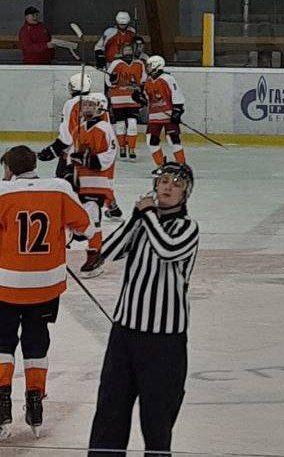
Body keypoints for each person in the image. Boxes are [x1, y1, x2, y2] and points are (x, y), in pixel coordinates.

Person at [87, 162, 199, 457]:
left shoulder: (187, 228)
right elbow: (107, 253)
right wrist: (135, 218)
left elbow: (168, 250)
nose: (167, 187)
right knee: (109, 414)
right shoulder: (143, 224)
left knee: (157, 422)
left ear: (185, 194)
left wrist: (147, 214)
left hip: (165, 341)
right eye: (163, 181)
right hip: (124, 334)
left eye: (176, 184)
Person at [0, 145, 92, 439]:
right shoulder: (60, 188)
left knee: (2, 342)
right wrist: (67, 233)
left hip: (7, 284)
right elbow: (86, 227)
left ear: (9, 169)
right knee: (36, 338)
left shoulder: (2, 192)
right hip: (46, 284)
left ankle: (2, 401)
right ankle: (35, 399)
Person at [39, 93, 117, 273]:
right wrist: (68, 170)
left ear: (101, 108)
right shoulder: (78, 129)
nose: (86, 108)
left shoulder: (105, 128)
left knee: (91, 220)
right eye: (85, 105)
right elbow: (71, 154)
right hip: (79, 182)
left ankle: (94, 255)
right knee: (75, 220)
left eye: (91, 105)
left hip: (96, 184)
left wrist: (89, 160)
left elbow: (109, 155)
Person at [137, 56, 185, 168]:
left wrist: (177, 111)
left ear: (156, 65)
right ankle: (161, 166)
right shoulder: (148, 81)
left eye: (149, 65)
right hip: (154, 116)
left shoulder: (167, 78)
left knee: (173, 140)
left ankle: (182, 165)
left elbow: (176, 94)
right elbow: (146, 99)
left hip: (169, 115)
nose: (147, 68)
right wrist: (139, 98)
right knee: (151, 141)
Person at [106, 44, 147, 159]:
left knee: (133, 124)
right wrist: (112, 80)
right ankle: (122, 147)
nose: (128, 52)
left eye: (130, 49)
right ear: (122, 52)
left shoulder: (139, 63)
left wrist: (142, 94)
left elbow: (143, 80)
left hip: (133, 98)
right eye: (126, 50)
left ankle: (132, 148)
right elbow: (108, 80)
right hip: (117, 98)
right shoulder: (116, 63)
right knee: (120, 124)